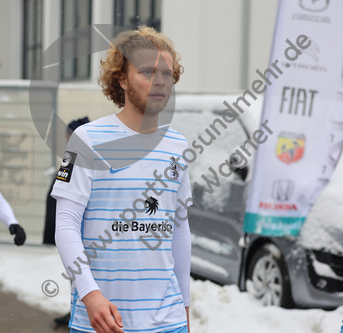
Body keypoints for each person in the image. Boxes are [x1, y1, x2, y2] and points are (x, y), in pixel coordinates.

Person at [51, 25, 191, 333]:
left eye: (167, 73)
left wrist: (185, 309)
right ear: (122, 79)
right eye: (146, 71)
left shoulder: (178, 145)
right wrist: (90, 295)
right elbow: (66, 225)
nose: (159, 81)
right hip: (102, 322)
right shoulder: (84, 140)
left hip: (169, 324)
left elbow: (179, 230)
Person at [42, 117, 90, 328]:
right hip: (88, 232)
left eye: (68, 135)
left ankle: (79, 315)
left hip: (81, 233)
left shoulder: (74, 156)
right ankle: (77, 313)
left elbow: (59, 196)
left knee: (80, 277)